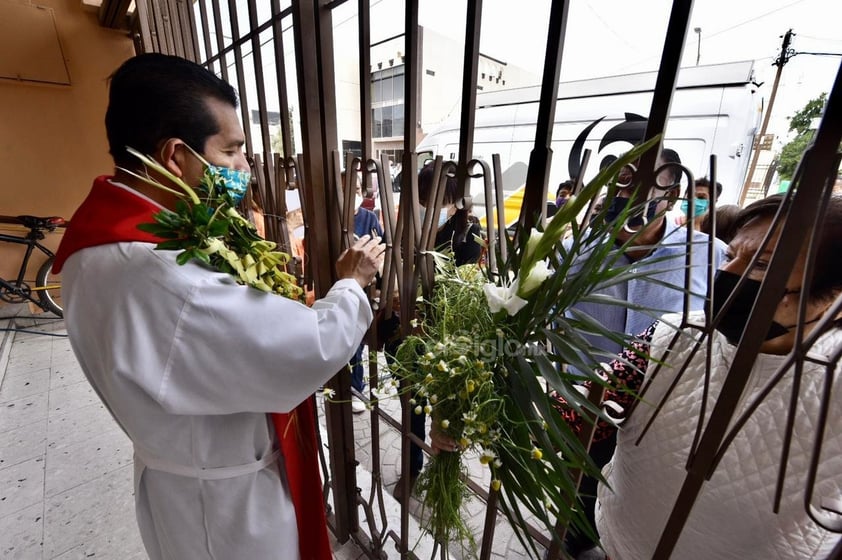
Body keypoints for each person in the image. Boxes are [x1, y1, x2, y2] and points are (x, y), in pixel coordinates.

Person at [51, 53, 384, 560]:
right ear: (176, 157)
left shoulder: (104, 240)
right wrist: (351, 285)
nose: (245, 168)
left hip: (182, 481)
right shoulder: (160, 273)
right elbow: (305, 347)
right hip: (226, 510)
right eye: (232, 151)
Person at [589, 193, 842, 559]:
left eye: (762, 265)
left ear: (833, 298)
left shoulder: (832, 385)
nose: (728, 275)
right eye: (730, 256)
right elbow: (593, 405)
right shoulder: (674, 334)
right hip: (622, 542)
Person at [562, 148, 727, 559]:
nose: (627, 196)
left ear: (671, 195)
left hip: (664, 423)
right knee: (575, 515)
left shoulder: (708, 256)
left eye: (645, 186)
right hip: (585, 412)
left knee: (643, 528)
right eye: (619, 183)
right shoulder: (572, 253)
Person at [391, 162, 483, 502]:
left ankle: (445, 473)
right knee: (410, 405)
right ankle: (412, 467)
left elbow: (461, 291)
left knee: (445, 412)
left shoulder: (468, 234)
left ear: (456, 201)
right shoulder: (407, 226)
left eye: (437, 199)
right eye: (421, 197)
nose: (426, 207)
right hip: (402, 334)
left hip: (441, 339)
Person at [341, 170, 384, 413]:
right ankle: (344, 384)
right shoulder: (333, 218)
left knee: (357, 341)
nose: (353, 196)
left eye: (356, 191)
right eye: (348, 191)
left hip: (366, 288)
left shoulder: (369, 217)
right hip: (340, 283)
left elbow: (383, 246)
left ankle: (356, 387)